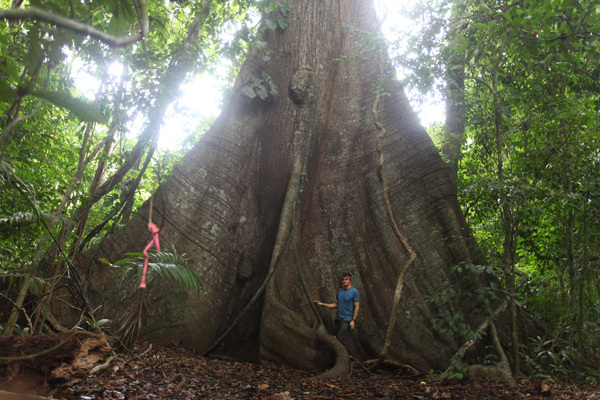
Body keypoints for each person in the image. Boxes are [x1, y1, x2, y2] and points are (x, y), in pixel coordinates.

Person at [314, 272, 360, 349]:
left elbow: (357, 307)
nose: (345, 281)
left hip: (347, 319)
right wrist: (321, 304)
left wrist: (353, 320)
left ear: (350, 281)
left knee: (340, 337)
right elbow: (335, 305)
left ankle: (345, 357)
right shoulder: (340, 292)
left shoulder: (354, 292)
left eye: (347, 279)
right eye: (343, 279)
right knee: (336, 339)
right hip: (338, 319)